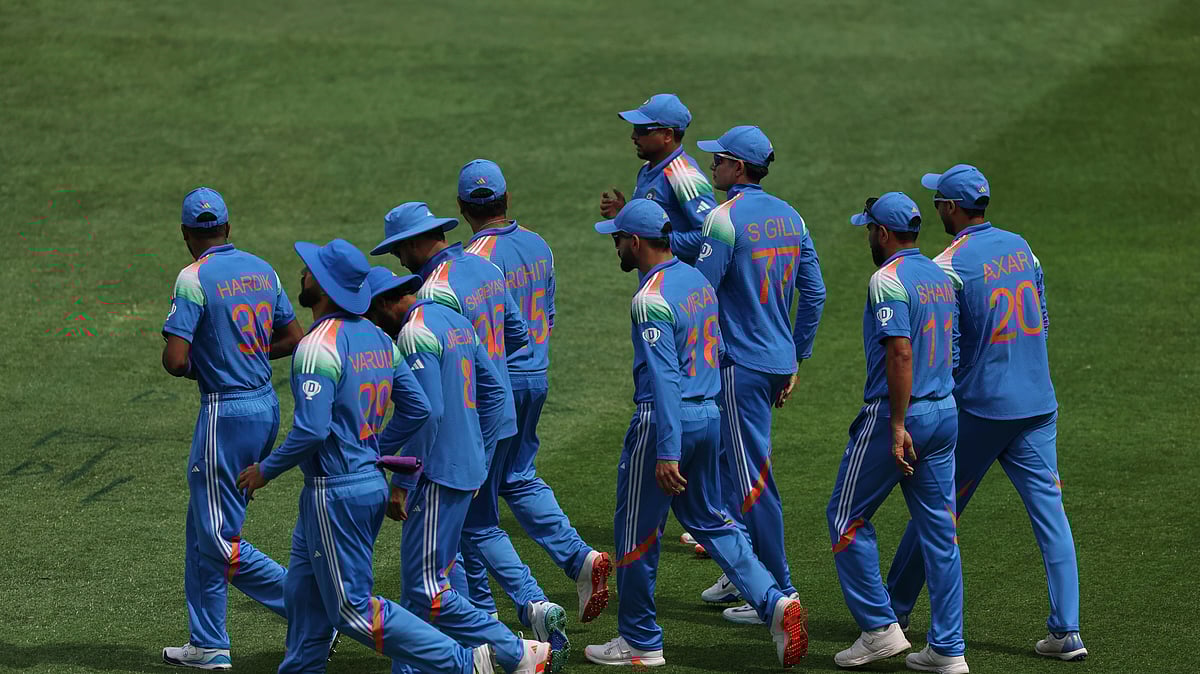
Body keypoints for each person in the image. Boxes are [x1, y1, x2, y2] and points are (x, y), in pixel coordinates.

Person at [235, 239, 548, 674]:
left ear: (322, 286)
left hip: (335, 490)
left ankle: (463, 662)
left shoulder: (317, 345)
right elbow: (418, 407)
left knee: (353, 610)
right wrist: (375, 449)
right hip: (365, 486)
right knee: (304, 599)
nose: (302, 274)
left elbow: (311, 429)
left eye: (308, 270)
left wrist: (263, 471)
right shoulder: (380, 339)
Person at [582, 199, 808, 669]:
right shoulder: (698, 284)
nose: (616, 246)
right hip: (709, 415)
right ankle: (774, 601)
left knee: (638, 534)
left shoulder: (651, 297)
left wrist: (666, 450)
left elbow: (664, 377)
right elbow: (721, 350)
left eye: (618, 238)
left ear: (637, 242)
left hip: (664, 423)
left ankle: (640, 640)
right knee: (712, 521)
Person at [886, 165, 1085, 662]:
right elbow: (1040, 320)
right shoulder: (1023, 247)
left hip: (979, 409)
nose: (936, 209)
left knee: (935, 507)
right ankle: (1067, 631)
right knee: (1051, 517)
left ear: (951, 208)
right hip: (1038, 404)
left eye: (938, 203)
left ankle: (894, 608)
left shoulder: (947, 265)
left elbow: (947, 351)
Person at [369, 204, 576, 645]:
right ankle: (520, 612)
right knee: (476, 526)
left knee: (448, 545)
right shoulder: (484, 268)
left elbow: (427, 407)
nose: (399, 263)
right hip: (495, 420)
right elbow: (519, 335)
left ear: (412, 244)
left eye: (398, 252)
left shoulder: (431, 294)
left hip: (456, 434)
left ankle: (497, 629)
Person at [459, 159, 612, 625]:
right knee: (519, 476)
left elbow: (470, 332)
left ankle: (497, 610)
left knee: (472, 504)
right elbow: (547, 313)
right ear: (507, 200)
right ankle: (577, 558)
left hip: (496, 386)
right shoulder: (539, 244)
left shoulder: (472, 259)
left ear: (464, 208)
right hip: (535, 376)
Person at [159, 186, 304, 670]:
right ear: (228, 227)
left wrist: (210, 365)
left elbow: (175, 360)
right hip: (265, 407)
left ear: (186, 235)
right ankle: (209, 644)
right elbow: (292, 337)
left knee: (218, 537)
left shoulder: (193, 277)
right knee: (200, 528)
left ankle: (309, 610)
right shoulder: (262, 269)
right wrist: (247, 358)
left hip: (225, 412)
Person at [692, 126, 826, 623]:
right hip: (773, 362)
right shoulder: (792, 217)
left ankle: (778, 590)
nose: (713, 166)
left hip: (737, 365)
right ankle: (740, 572)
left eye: (720, 160)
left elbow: (701, 297)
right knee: (731, 465)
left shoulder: (723, 220)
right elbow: (814, 294)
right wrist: (796, 356)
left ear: (739, 168)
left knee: (753, 479)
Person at [827, 193, 967, 673]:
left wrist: (898, 424)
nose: (868, 237)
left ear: (883, 234)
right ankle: (948, 650)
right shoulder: (941, 276)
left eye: (869, 229)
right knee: (940, 534)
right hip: (945, 412)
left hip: (899, 413)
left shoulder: (887, 280)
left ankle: (879, 629)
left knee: (845, 517)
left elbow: (900, 353)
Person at [599, 94, 717, 264]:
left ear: (667, 135)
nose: (633, 136)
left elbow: (709, 237)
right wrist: (624, 216)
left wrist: (655, 243)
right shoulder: (648, 168)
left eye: (641, 130)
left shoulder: (684, 177)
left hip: (678, 284)